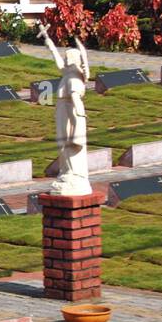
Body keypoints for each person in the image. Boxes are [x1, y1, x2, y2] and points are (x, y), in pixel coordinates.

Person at [35, 20, 92, 196]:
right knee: (62, 143)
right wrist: (47, 38)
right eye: (65, 57)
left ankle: (73, 173)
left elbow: (75, 97)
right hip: (62, 108)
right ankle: (65, 171)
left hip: (71, 111)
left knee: (70, 143)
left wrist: (79, 116)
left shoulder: (75, 78)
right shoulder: (67, 72)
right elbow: (54, 55)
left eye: (68, 58)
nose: (65, 59)